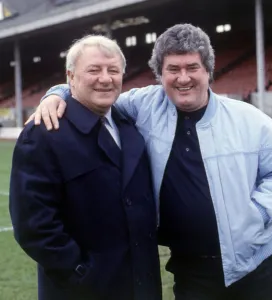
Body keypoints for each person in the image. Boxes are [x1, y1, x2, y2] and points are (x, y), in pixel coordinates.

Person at [28, 24, 272, 300]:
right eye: (173, 69)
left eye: (192, 67)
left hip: (253, 263)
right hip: (189, 266)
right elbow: (97, 90)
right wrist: (57, 94)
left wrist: (259, 213)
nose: (183, 78)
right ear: (160, 75)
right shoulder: (141, 106)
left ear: (208, 70)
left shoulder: (250, 119)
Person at [9, 35, 162, 300]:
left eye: (113, 70)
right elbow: (33, 224)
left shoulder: (130, 126)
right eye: (94, 70)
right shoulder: (44, 133)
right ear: (70, 76)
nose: (105, 78)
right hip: (82, 290)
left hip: (141, 286)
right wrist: (79, 272)